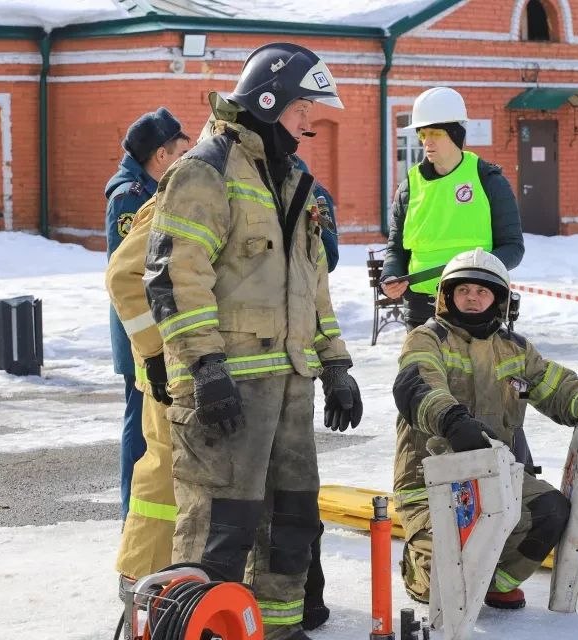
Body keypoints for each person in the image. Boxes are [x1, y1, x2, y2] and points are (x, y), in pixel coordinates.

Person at [143, 42, 362, 640]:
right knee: (221, 526)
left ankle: (277, 629)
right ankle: (203, 630)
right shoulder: (206, 170)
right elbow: (174, 276)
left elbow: (313, 284)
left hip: (290, 388)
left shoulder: (293, 181)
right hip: (227, 387)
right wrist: (206, 367)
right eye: (302, 111)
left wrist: (337, 365)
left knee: (291, 525)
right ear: (269, 101)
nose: (309, 124)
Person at [391, 248, 578, 609]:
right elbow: (418, 384)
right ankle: (419, 569)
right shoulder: (427, 339)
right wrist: (452, 420)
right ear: (447, 296)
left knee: (551, 511)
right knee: (442, 585)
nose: (472, 298)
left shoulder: (515, 349)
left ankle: (495, 581)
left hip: (499, 474)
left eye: (482, 291)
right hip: (431, 480)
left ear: (500, 300)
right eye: (463, 291)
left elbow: (559, 387)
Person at [104, 107, 190, 519]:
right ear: (160, 155)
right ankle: (131, 516)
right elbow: (127, 273)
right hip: (140, 335)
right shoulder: (132, 197)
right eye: (180, 153)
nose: (185, 164)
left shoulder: (146, 189)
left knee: (155, 430)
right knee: (141, 429)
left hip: (154, 333)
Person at [380, 86, 524, 330]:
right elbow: (396, 248)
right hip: (420, 308)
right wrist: (391, 275)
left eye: (435, 133)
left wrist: (473, 270)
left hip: (475, 306)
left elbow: (513, 248)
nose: (427, 142)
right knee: (421, 369)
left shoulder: (488, 180)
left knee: (475, 370)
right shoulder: (409, 187)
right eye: (422, 134)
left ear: (456, 134)